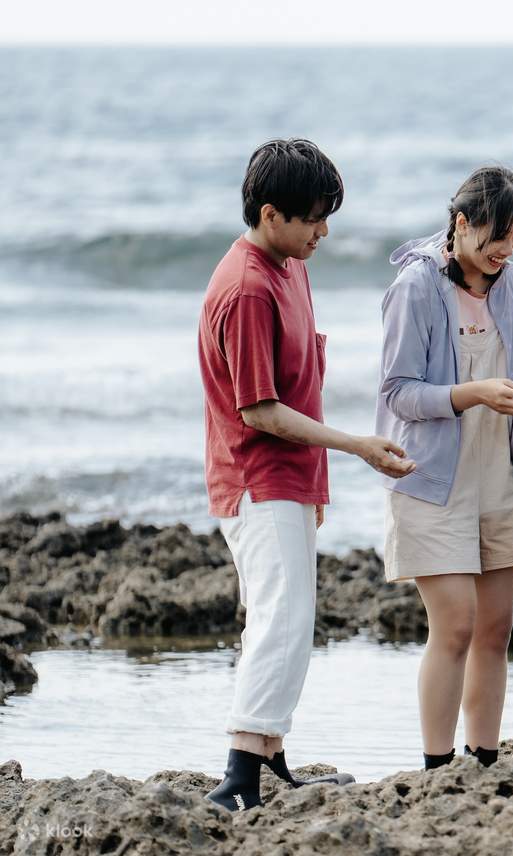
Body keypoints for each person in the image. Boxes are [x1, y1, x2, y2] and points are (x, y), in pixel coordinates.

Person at [198, 138, 415, 811]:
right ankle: (239, 777)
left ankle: (269, 761)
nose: (324, 231)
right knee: (279, 620)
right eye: (314, 218)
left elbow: (303, 381)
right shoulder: (247, 288)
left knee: (287, 617)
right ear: (271, 214)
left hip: (292, 478)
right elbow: (261, 409)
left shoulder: (290, 265)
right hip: (255, 476)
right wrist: (356, 445)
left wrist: (318, 481)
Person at [376, 166, 513, 771]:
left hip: (499, 476)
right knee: (454, 626)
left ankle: (483, 760)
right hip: (430, 479)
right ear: (461, 224)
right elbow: (400, 393)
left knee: (495, 628)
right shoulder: (417, 288)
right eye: (495, 239)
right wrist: (474, 393)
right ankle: (435, 767)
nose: (506, 252)